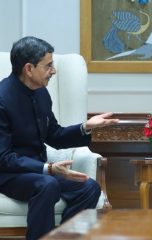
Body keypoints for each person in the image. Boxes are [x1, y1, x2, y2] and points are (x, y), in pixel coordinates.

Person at [0, 36, 119, 240]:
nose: (53, 71)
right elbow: (3, 157)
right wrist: (48, 169)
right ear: (29, 68)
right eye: (48, 65)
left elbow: (54, 135)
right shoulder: (2, 99)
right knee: (47, 184)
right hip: (7, 173)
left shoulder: (41, 93)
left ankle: (62, 237)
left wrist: (85, 127)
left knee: (89, 188)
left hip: (37, 171)